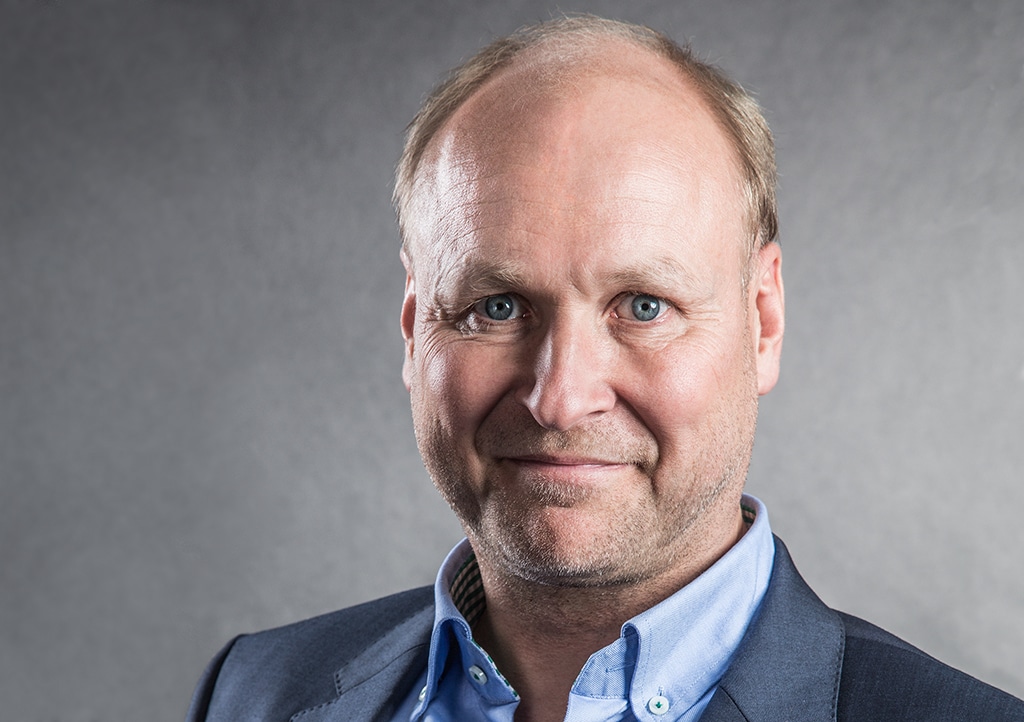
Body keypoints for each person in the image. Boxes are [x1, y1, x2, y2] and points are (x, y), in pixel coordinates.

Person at [186, 15, 1024, 722]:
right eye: (497, 307)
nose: (560, 398)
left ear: (763, 322)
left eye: (643, 306)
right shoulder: (254, 693)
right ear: (413, 328)